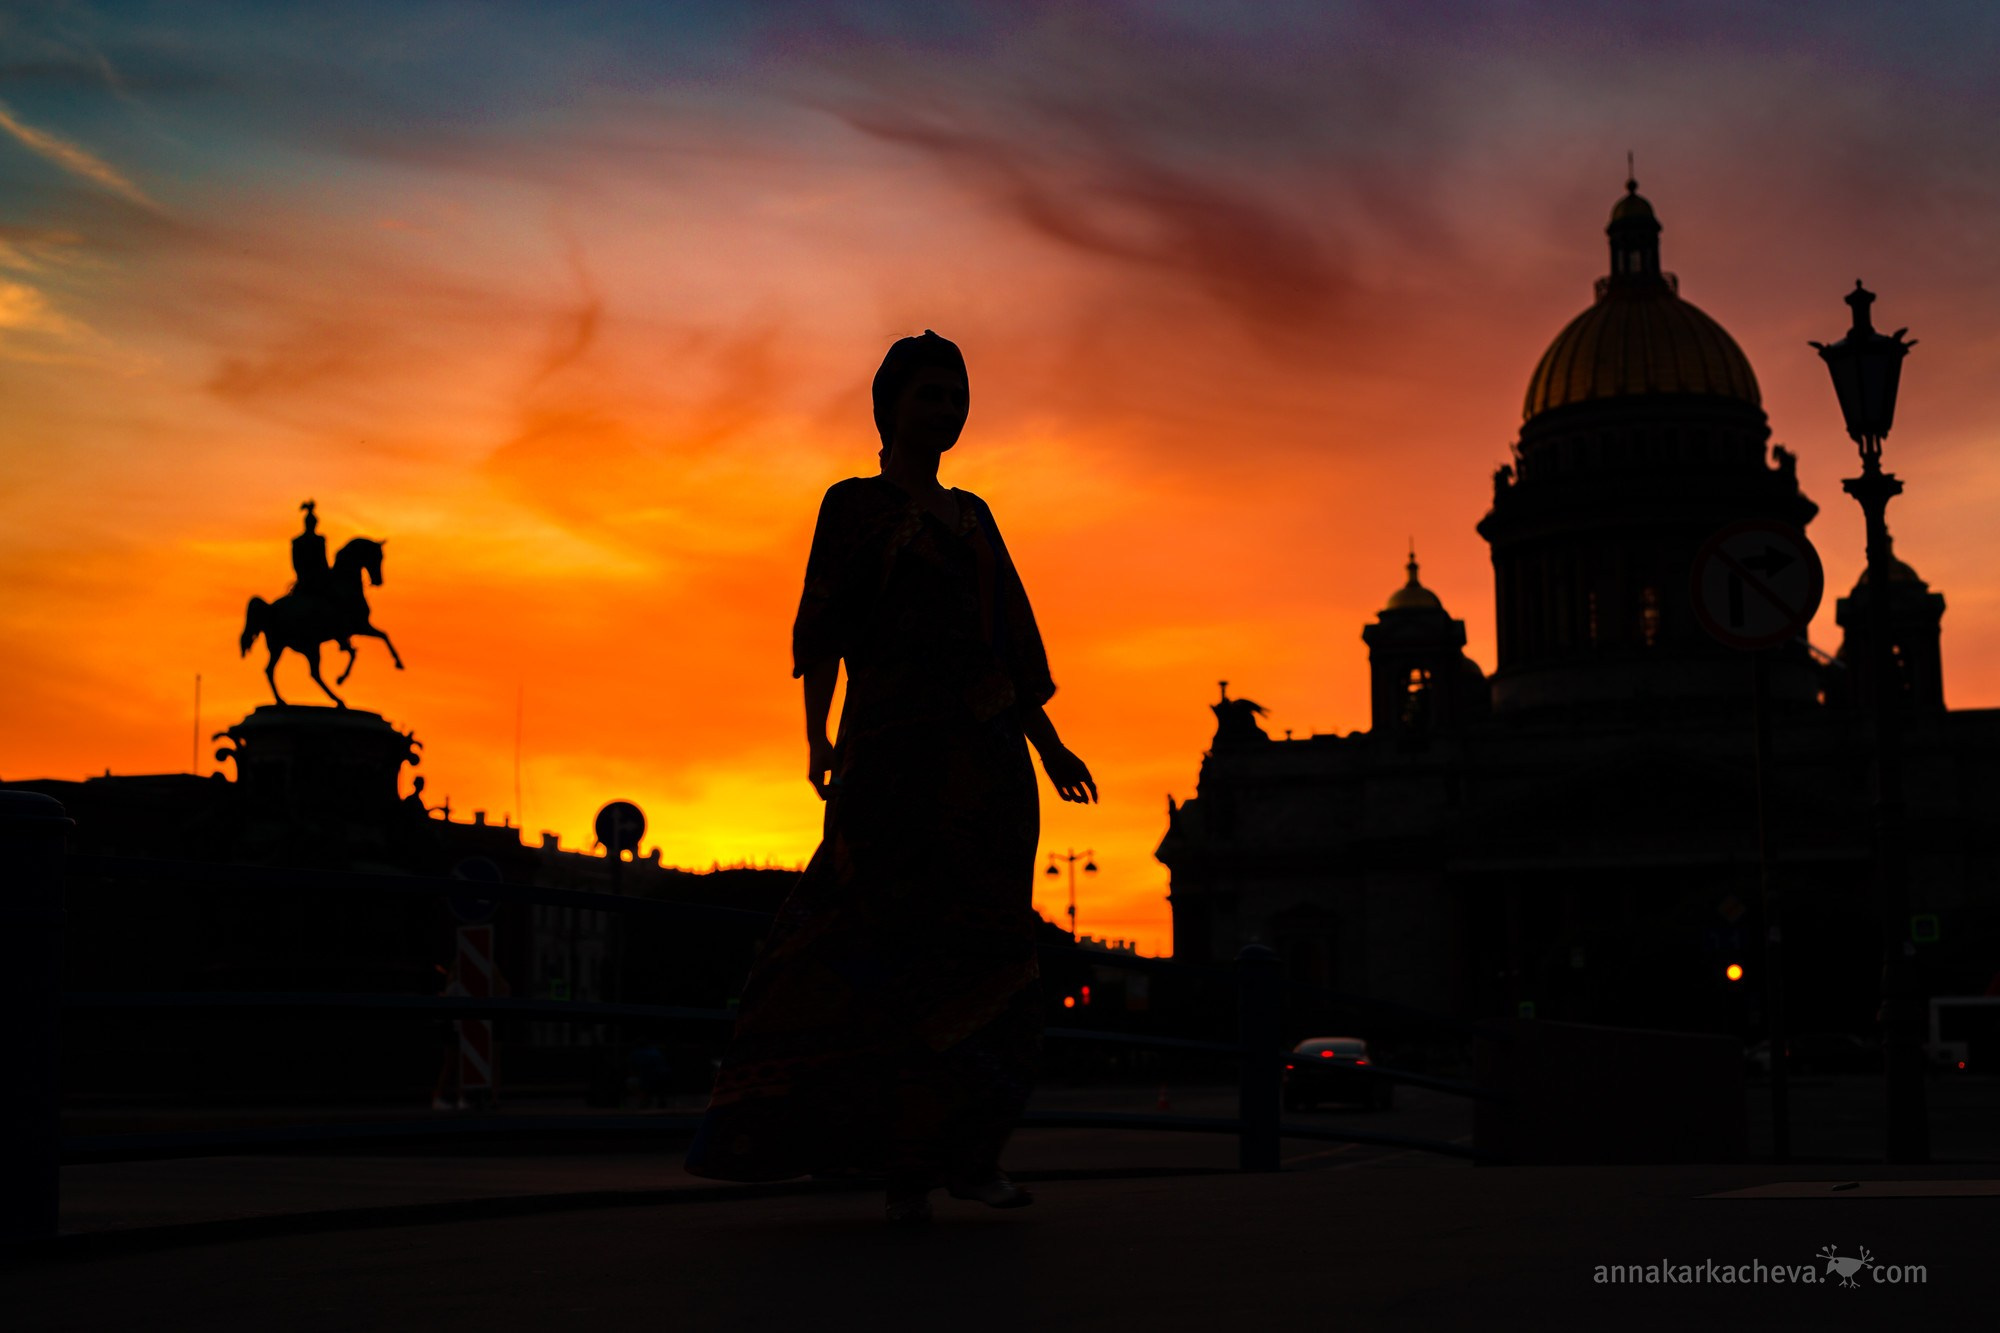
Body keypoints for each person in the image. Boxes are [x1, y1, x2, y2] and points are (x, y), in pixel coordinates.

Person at [682, 330, 1097, 1225]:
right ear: (890, 407)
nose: (945, 411)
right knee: (878, 946)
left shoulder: (976, 518)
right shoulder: (854, 507)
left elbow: (1010, 646)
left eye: (956, 396)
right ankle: (892, 1161)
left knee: (991, 955)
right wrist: (817, 736)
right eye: (929, 396)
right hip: (889, 755)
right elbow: (823, 629)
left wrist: (1050, 744)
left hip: (986, 763)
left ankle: (973, 1154)